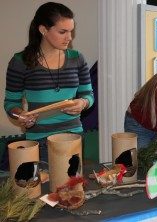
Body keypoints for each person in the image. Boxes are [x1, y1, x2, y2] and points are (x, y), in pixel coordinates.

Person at [4, 2, 94, 163]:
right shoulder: (20, 61)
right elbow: (10, 104)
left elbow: (89, 95)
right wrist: (21, 115)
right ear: (43, 30)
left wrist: (82, 102)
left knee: (73, 186)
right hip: (40, 140)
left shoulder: (77, 58)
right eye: (62, 32)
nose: (69, 37)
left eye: (71, 31)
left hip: (74, 136)